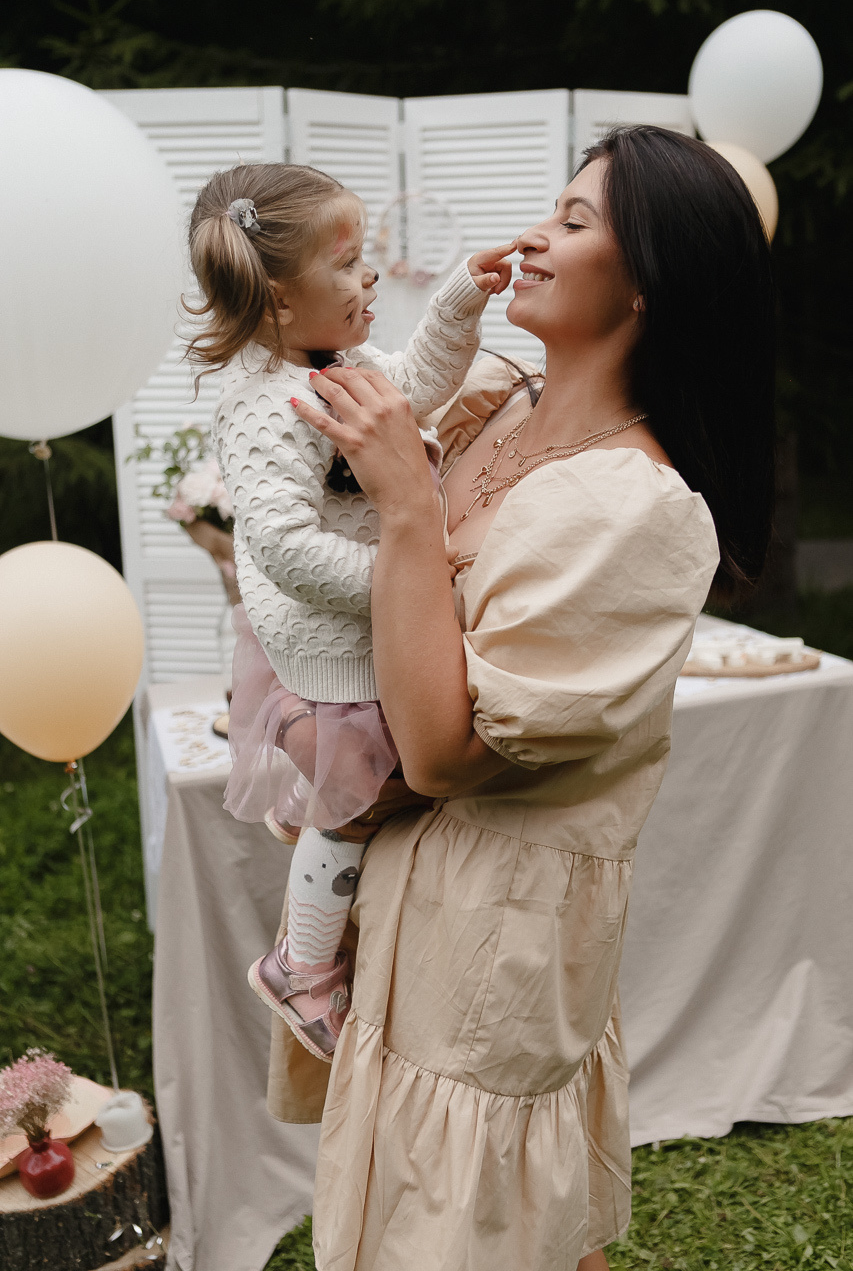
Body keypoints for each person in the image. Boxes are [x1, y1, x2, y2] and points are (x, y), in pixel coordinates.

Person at [278, 125, 775, 1271]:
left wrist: (410, 506)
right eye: (549, 212)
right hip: (408, 891)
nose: (533, 241)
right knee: (467, 1214)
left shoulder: (637, 509)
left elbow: (446, 749)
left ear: (648, 283)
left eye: (572, 221)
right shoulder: (496, 404)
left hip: (489, 933)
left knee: (473, 1218)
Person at [185, 162, 513, 1062]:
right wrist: (404, 577)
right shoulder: (262, 410)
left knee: (366, 789)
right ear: (282, 302)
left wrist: (457, 303)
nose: (370, 276)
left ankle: (321, 853)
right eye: (351, 263)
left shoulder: (339, 358)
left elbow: (414, 385)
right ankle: (300, 965)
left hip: (370, 615)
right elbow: (287, 550)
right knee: (356, 809)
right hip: (336, 641)